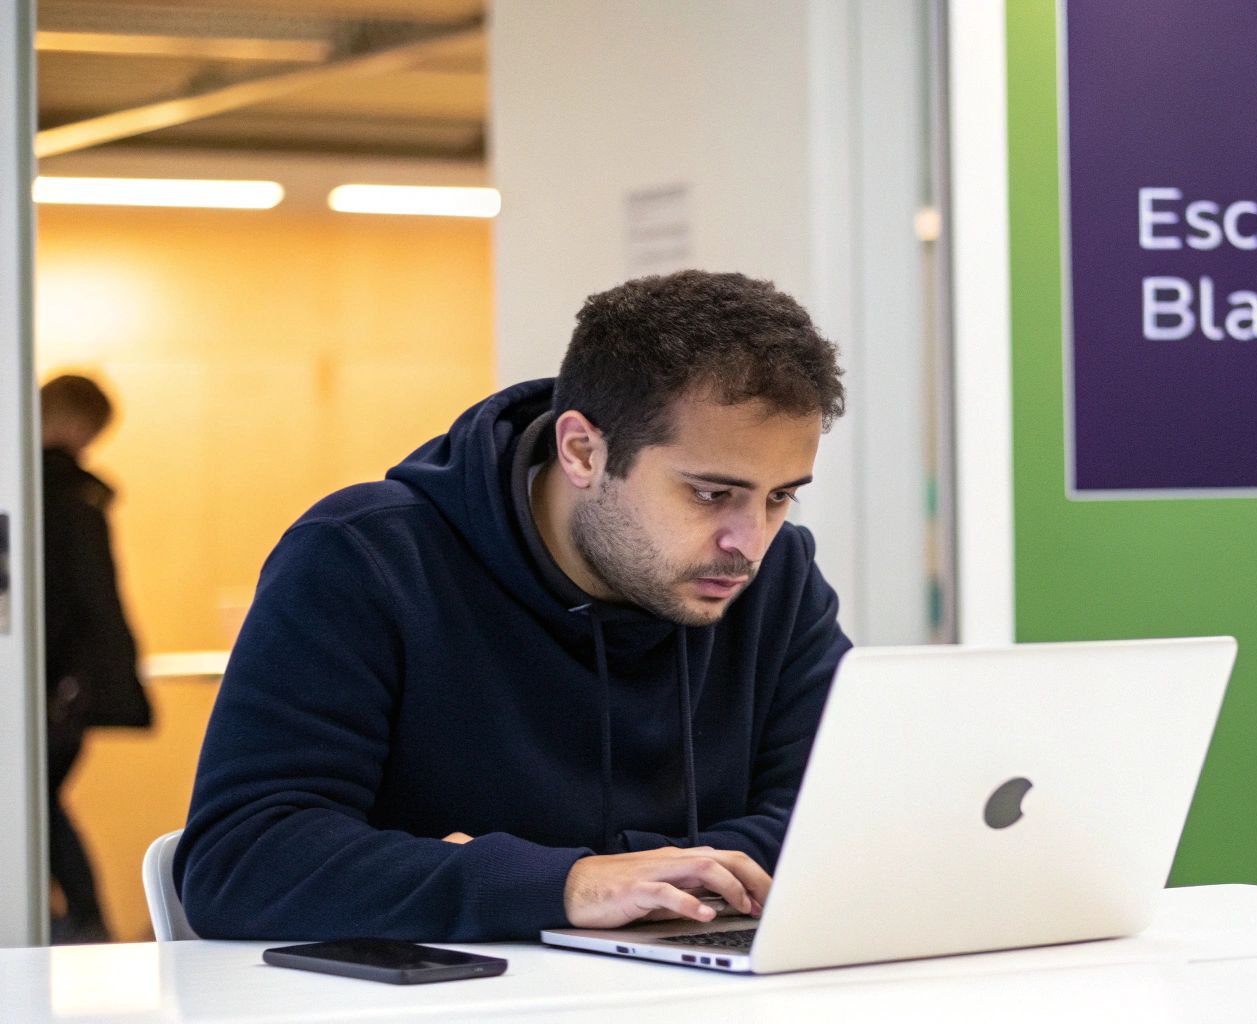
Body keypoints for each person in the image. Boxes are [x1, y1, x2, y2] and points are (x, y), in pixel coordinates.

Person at [177, 271, 851, 941]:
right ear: (583, 451)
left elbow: (843, 809)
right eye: (711, 495)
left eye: (780, 495)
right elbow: (242, 859)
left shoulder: (776, 579)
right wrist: (566, 884)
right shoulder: (365, 560)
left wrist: (654, 882)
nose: (750, 542)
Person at [41, 373, 152, 944]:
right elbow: (96, 602)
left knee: (35, 804)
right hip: (63, 689)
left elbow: (89, 601)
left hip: (55, 690)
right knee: (39, 804)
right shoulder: (70, 497)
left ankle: (84, 921)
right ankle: (83, 920)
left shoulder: (54, 496)